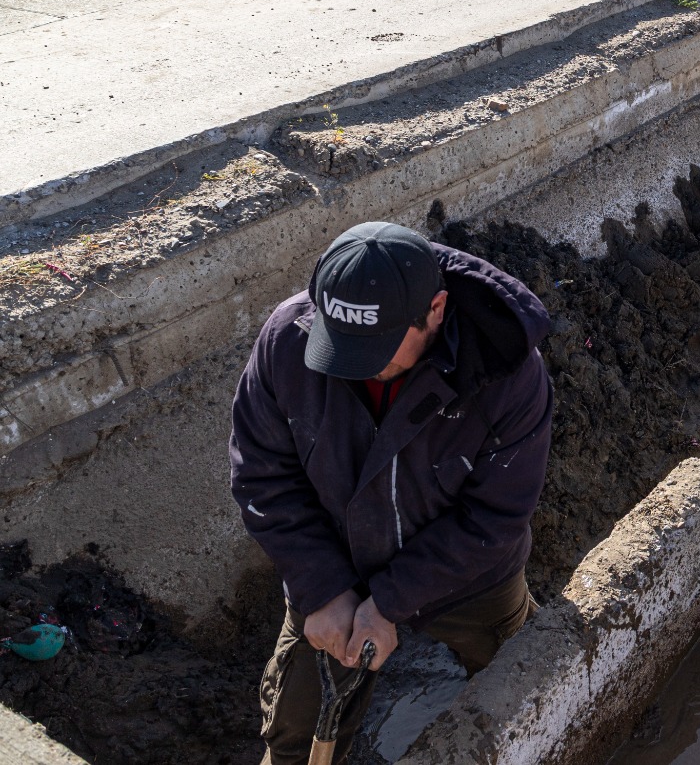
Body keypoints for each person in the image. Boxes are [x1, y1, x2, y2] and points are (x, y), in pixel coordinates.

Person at [231, 221, 553, 765]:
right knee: (293, 738)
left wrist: (393, 602)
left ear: (436, 310)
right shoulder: (287, 342)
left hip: (466, 575)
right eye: (340, 345)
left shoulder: (506, 371)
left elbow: (495, 518)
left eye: (375, 347)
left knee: (534, 689)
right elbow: (263, 476)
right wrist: (323, 589)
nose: (356, 367)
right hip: (335, 563)